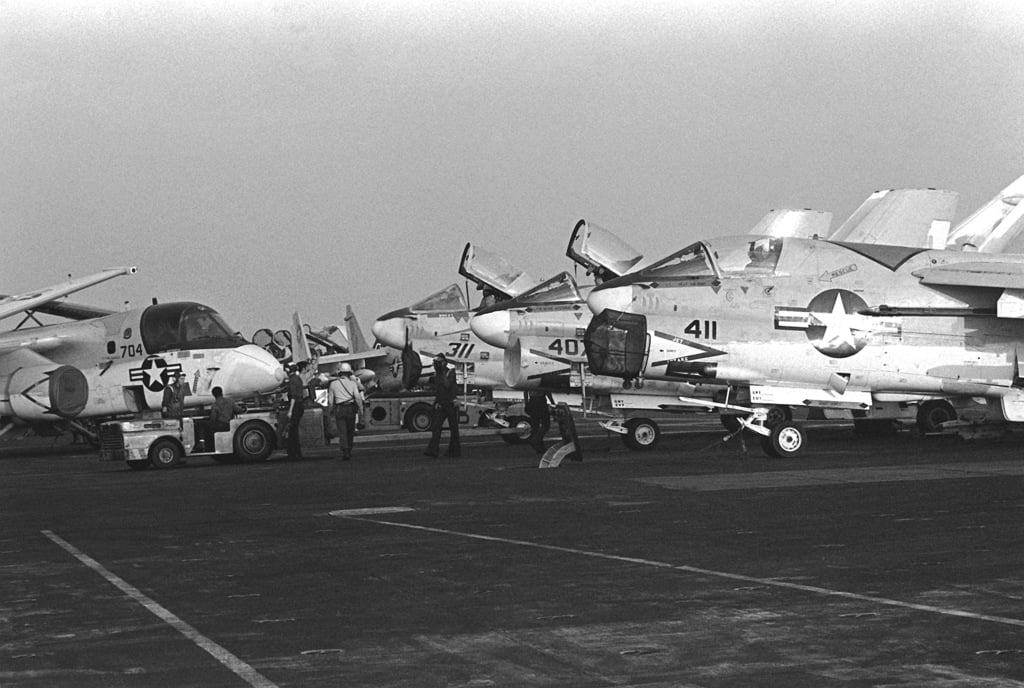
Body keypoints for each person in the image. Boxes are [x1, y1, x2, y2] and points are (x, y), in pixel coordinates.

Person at [424, 353, 461, 458]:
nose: (435, 365)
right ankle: (433, 449)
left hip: (450, 403)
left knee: (453, 429)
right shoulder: (439, 375)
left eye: (438, 363)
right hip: (442, 403)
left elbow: (447, 385)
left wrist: (441, 373)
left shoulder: (450, 372)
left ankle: (454, 451)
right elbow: (439, 391)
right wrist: (436, 403)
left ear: (444, 363)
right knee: (436, 427)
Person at [328, 362, 363, 460]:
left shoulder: (333, 384)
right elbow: (358, 398)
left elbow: (330, 401)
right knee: (350, 431)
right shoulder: (353, 384)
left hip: (339, 409)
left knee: (342, 431)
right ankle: (349, 449)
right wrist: (361, 411)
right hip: (350, 409)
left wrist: (330, 411)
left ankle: (345, 450)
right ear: (349, 373)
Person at [205, 385, 243, 450]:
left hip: (220, 425)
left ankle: (208, 446)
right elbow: (239, 410)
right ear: (222, 392)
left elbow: (213, 419)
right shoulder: (230, 401)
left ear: (213, 395)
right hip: (229, 424)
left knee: (204, 426)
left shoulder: (215, 405)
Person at [285, 361, 309, 460]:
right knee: (293, 431)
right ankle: (296, 453)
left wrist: (290, 410)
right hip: (300, 405)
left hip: (295, 406)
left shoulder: (292, 380)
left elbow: (293, 397)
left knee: (292, 432)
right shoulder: (297, 378)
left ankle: (294, 454)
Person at [525, 390, 552, 455]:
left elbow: (525, 391)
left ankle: (539, 447)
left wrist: (527, 403)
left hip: (532, 400)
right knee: (546, 424)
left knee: (535, 426)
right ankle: (536, 440)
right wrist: (552, 401)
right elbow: (547, 390)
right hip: (540, 400)